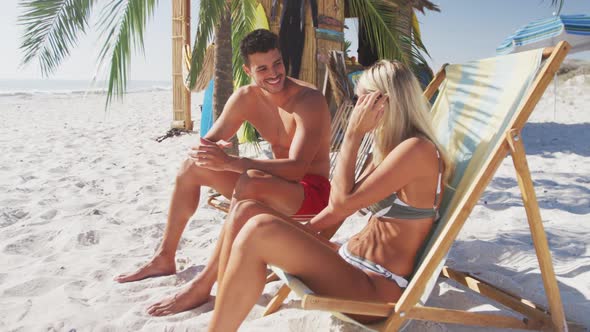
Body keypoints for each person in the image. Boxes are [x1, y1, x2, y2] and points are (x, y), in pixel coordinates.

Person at [206, 60, 454, 332]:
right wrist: (299, 234)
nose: (357, 107)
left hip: (375, 287)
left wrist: (353, 134)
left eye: (362, 100)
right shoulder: (391, 147)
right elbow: (339, 211)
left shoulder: (417, 150)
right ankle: (222, 307)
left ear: (383, 102)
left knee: (259, 229)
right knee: (247, 210)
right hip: (349, 262)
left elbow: (340, 202)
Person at [114, 29, 331, 315]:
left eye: (277, 63)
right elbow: (210, 141)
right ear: (247, 70)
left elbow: (296, 168)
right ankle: (165, 257)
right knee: (192, 167)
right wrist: (206, 150)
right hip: (272, 186)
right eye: (262, 68)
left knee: (251, 182)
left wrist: (231, 163)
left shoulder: (308, 101)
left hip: (309, 194)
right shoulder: (246, 98)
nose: (274, 74)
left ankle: (202, 286)